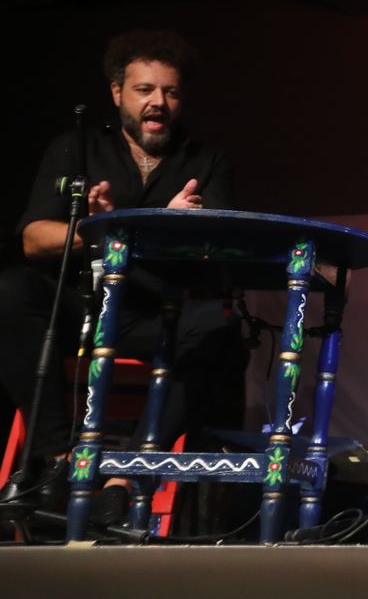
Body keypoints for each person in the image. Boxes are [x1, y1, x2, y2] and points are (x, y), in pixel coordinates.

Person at [0, 30, 244, 521]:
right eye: (144, 90)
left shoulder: (205, 161)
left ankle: (124, 473)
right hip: (83, 309)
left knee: (220, 328)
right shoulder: (77, 148)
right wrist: (100, 230)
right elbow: (33, 240)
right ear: (117, 93)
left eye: (171, 92)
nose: (158, 103)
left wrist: (172, 229)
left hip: (153, 313)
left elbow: (216, 251)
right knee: (12, 290)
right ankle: (58, 458)